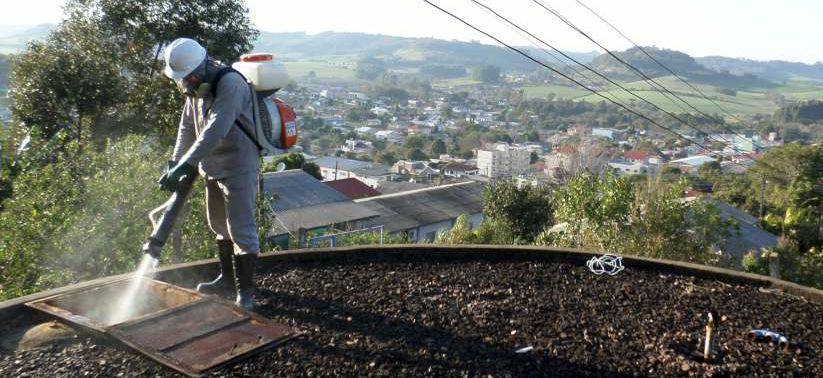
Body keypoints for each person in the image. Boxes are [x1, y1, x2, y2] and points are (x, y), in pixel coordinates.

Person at [158, 37, 259, 309]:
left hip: (238, 164)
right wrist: (175, 161)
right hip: (211, 166)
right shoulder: (193, 87)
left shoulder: (231, 84)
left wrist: (186, 164)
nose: (186, 81)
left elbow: (215, 130)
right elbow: (187, 128)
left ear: (202, 65)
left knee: (241, 229)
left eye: (189, 76)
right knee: (218, 223)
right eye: (183, 78)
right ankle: (226, 279)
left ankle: (246, 293)